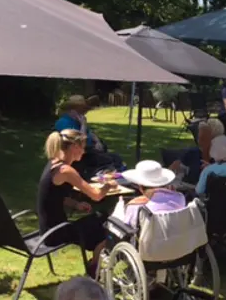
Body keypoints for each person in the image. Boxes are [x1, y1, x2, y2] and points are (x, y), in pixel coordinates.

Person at [38, 130, 111, 277]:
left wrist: (76, 205)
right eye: (82, 147)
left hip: (47, 229)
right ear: (74, 147)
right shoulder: (66, 170)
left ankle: (94, 263)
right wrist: (109, 184)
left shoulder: (53, 164)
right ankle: (94, 266)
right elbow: (96, 196)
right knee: (108, 223)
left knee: (99, 220)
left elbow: (55, 196)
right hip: (57, 233)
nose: (84, 151)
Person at [54, 95, 125, 175]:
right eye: (81, 110)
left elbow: (89, 132)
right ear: (72, 110)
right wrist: (83, 125)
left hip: (89, 150)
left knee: (115, 157)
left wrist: (97, 141)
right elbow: (78, 143)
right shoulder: (65, 122)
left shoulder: (76, 120)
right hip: (81, 155)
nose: (84, 112)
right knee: (111, 160)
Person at [119, 160, 185, 229]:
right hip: (177, 234)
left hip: (147, 235)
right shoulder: (180, 198)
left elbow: (129, 225)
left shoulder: (136, 207)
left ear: (140, 187)